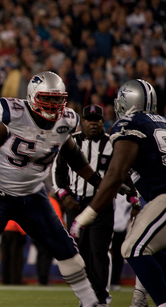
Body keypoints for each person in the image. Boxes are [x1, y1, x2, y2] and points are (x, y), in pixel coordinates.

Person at [0, 71, 119, 307]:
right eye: (48, 98)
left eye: (59, 99)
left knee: (69, 253)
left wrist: (99, 182)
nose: (54, 104)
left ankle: (90, 302)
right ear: (32, 96)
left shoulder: (66, 120)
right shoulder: (13, 113)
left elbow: (73, 156)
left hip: (33, 195)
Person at [71, 79, 166, 307]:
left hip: (163, 196)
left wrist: (89, 214)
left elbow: (115, 173)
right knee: (148, 247)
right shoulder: (162, 122)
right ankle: (143, 297)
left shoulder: (130, 122)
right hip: (157, 197)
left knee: (132, 248)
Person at [52, 104, 127, 305]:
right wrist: (63, 195)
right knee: (80, 254)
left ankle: (101, 298)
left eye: (97, 120)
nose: (93, 124)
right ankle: (86, 298)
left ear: (103, 122)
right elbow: (57, 171)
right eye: (89, 120)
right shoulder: (70, 141)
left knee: (99, 252)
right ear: (82, 122)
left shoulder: (112, 143)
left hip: (101, 204)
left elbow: (123, 171)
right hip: (75, 204)